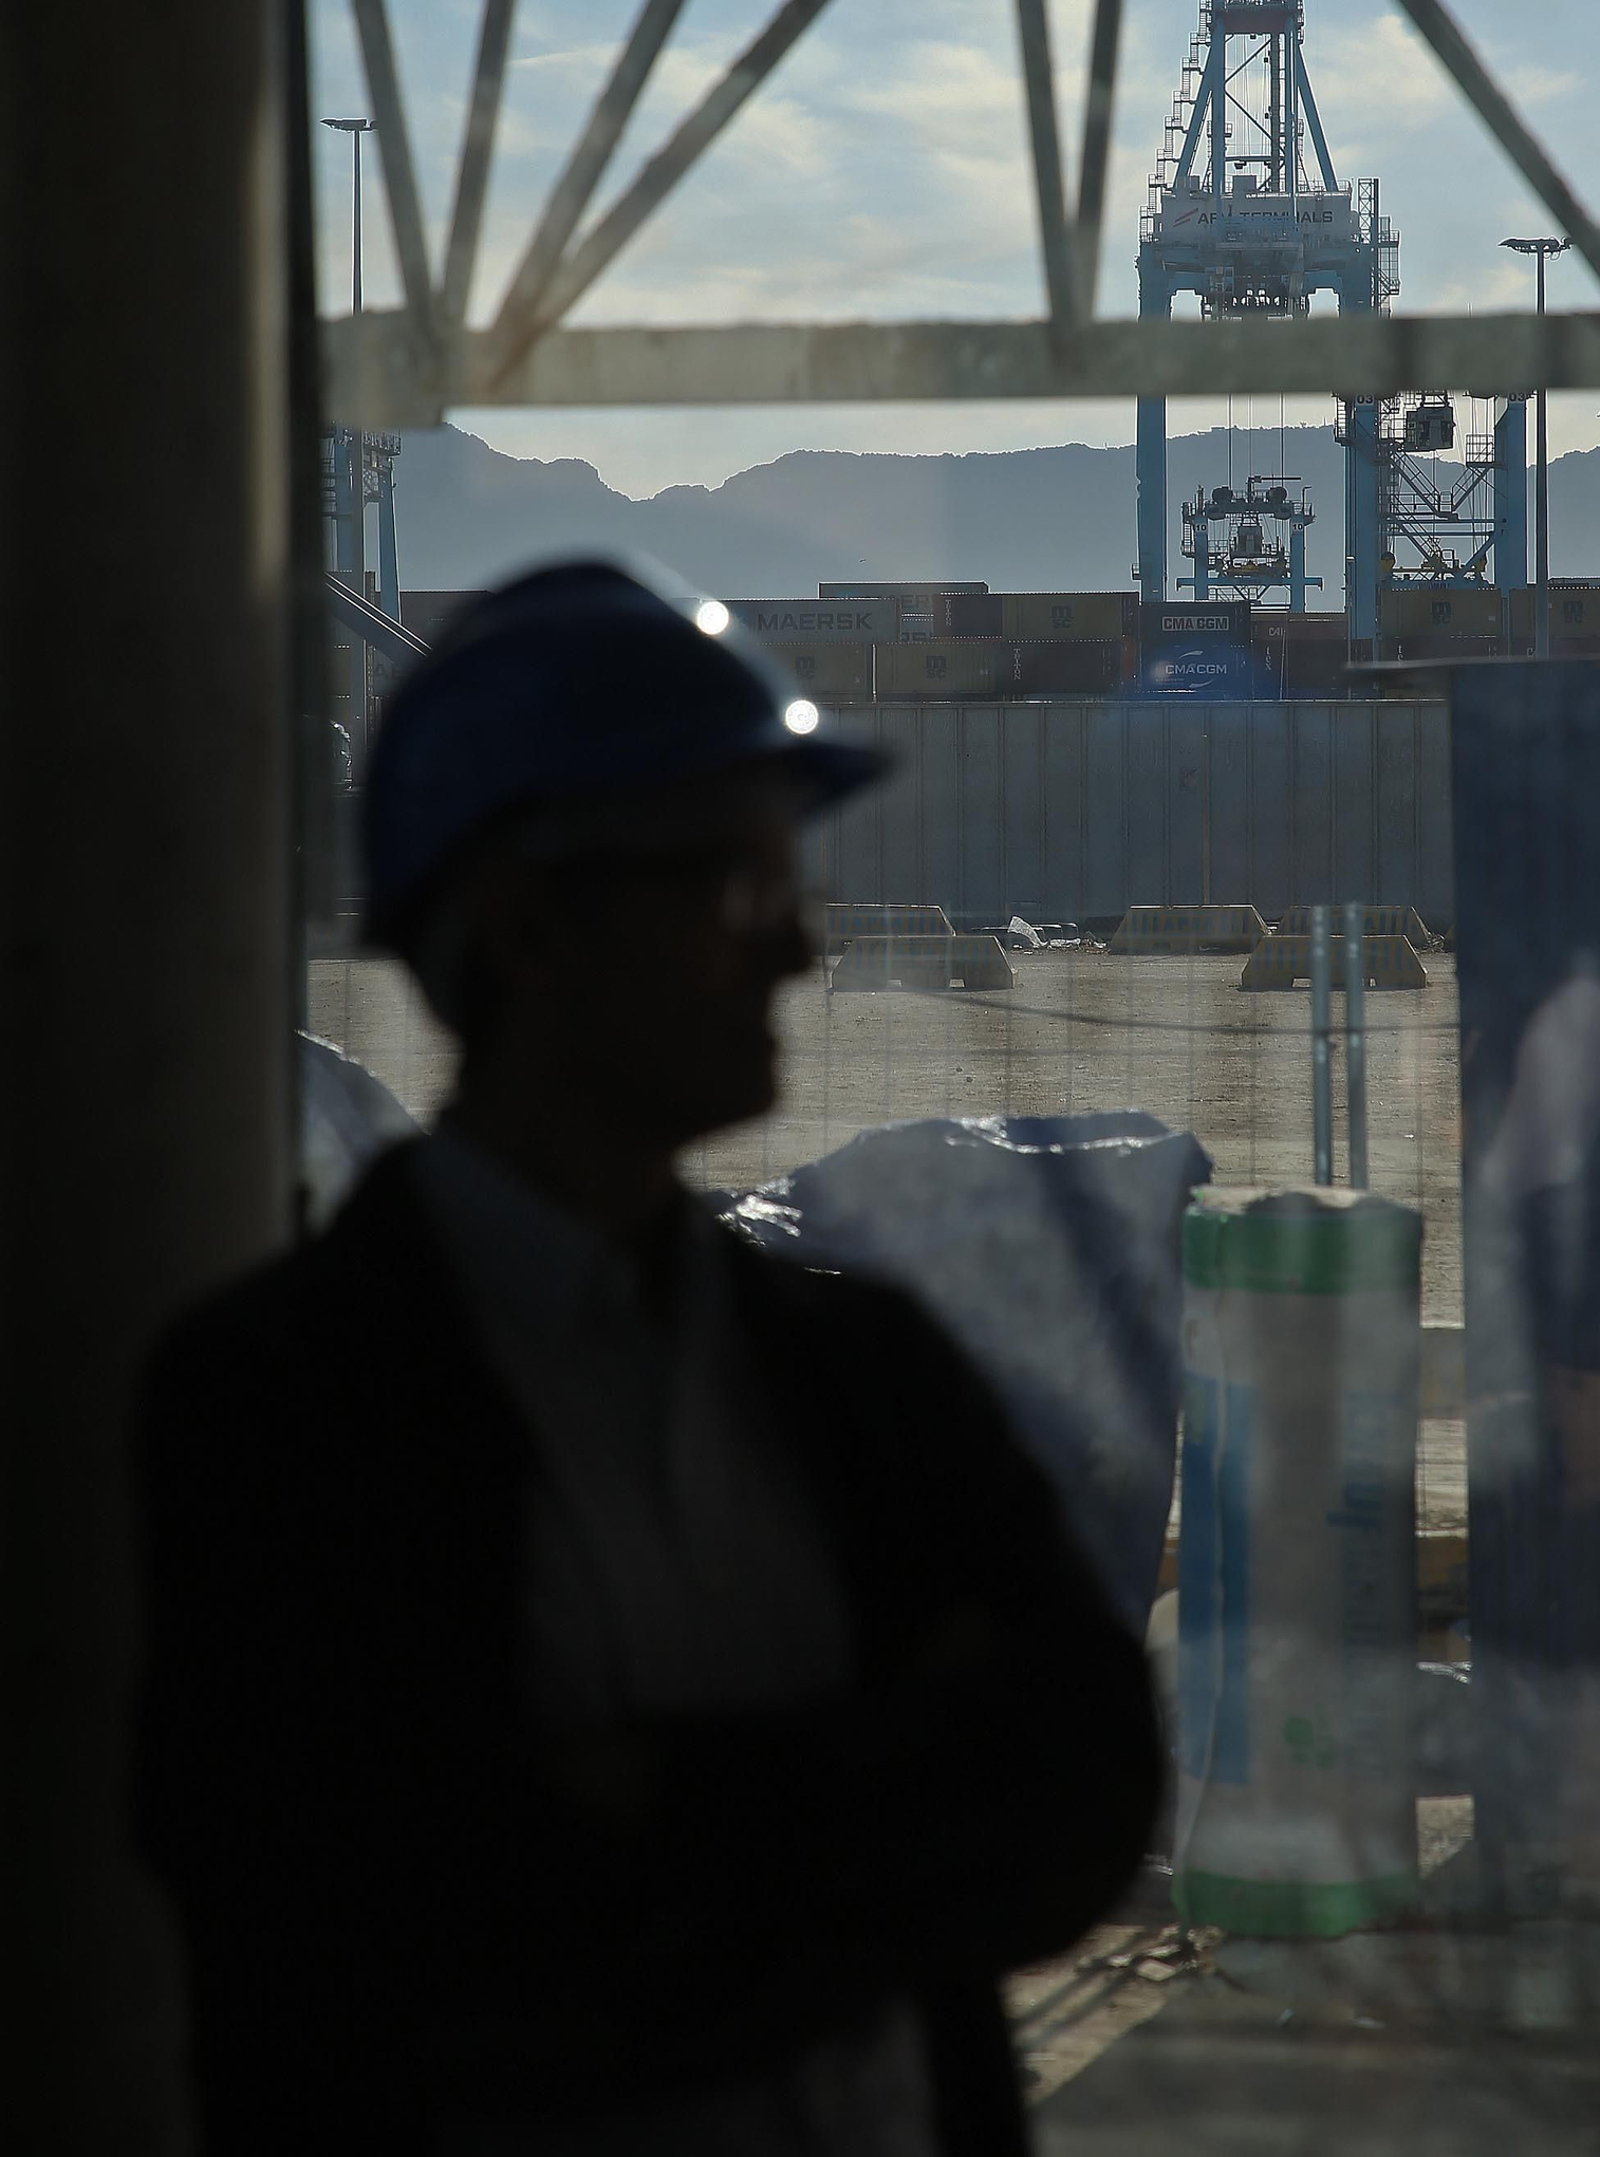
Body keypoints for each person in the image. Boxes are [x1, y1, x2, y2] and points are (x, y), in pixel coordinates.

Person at [134, 560, 1163, 2157]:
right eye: (740, 891)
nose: (797, 953)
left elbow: (1085, 1790)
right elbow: (386, 1963)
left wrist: (649, 1801)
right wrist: (881, 1804)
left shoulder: (858, 1368)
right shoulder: (278, 1411)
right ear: (531, 927)